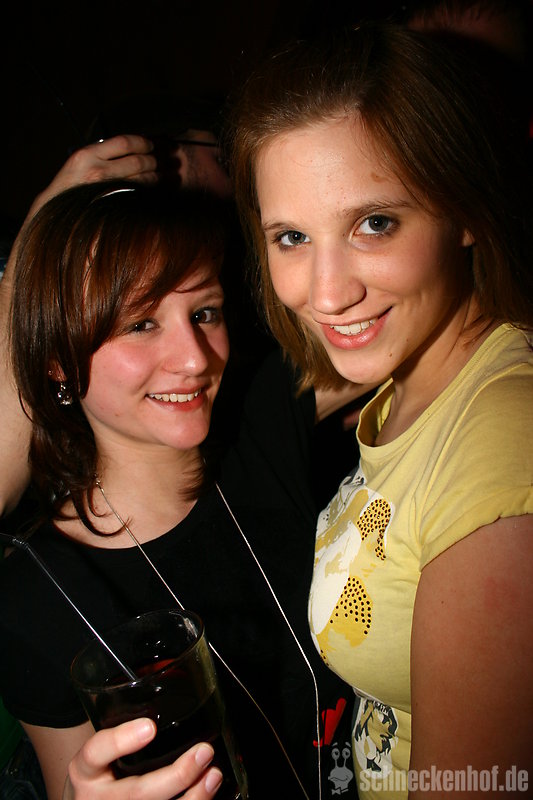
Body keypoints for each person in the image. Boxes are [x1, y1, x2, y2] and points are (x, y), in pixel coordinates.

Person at [226, 20, 533, 799]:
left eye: (374, 224)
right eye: (291, 237)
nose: (327, 294)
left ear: (465, 208)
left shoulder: (501, 450)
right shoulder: (410, 380)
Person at [0, 179, 365, 800]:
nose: (194, 358)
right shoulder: (34, 598)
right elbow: (73, 785)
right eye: (141, 323)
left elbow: (432, 329)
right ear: (57, 361)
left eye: (203, 313)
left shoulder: (262, 418)